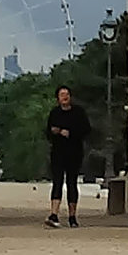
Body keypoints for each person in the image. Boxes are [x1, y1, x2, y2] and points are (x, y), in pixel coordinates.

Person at [43, 85, 90, 228]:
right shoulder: (54, 113)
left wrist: (70, 133)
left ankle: (72, 216)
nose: (65, 97)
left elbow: (86, 130)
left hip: (74, 152)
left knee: (72, 183)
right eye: (62, 94)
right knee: (57, 182)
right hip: (58, 152)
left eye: (67, 94)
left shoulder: (78, 113)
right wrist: (54, 132)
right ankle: (54, 214)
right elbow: (47, 133)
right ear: (57, 98)